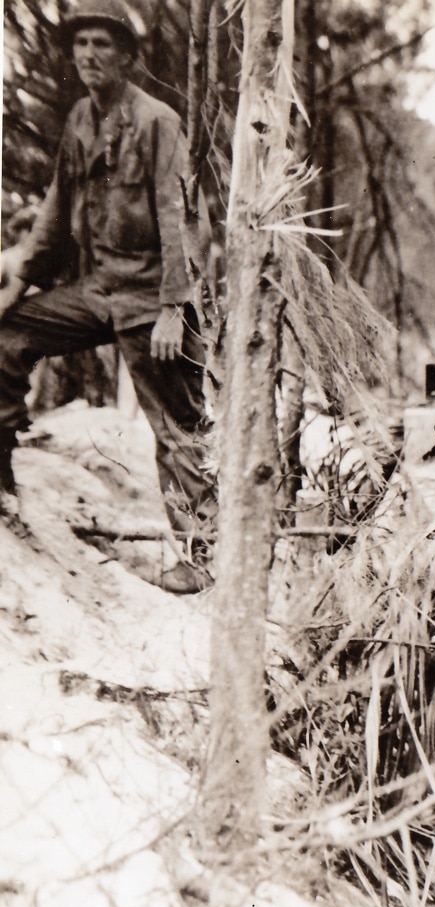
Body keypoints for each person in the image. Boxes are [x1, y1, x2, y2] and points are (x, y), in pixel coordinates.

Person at [0, 0, 215, 592]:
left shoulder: (156, 122)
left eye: (102, 44)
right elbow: (54, 208)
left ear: (126, 56)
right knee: (9, 334)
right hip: (99, 290)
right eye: (81, 44)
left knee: (176, 427)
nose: (89, 55)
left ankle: (203, 559)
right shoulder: (79, 119)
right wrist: (19, 278)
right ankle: (0, 479)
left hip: (152, 297)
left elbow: (178, 219)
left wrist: (176, 308)